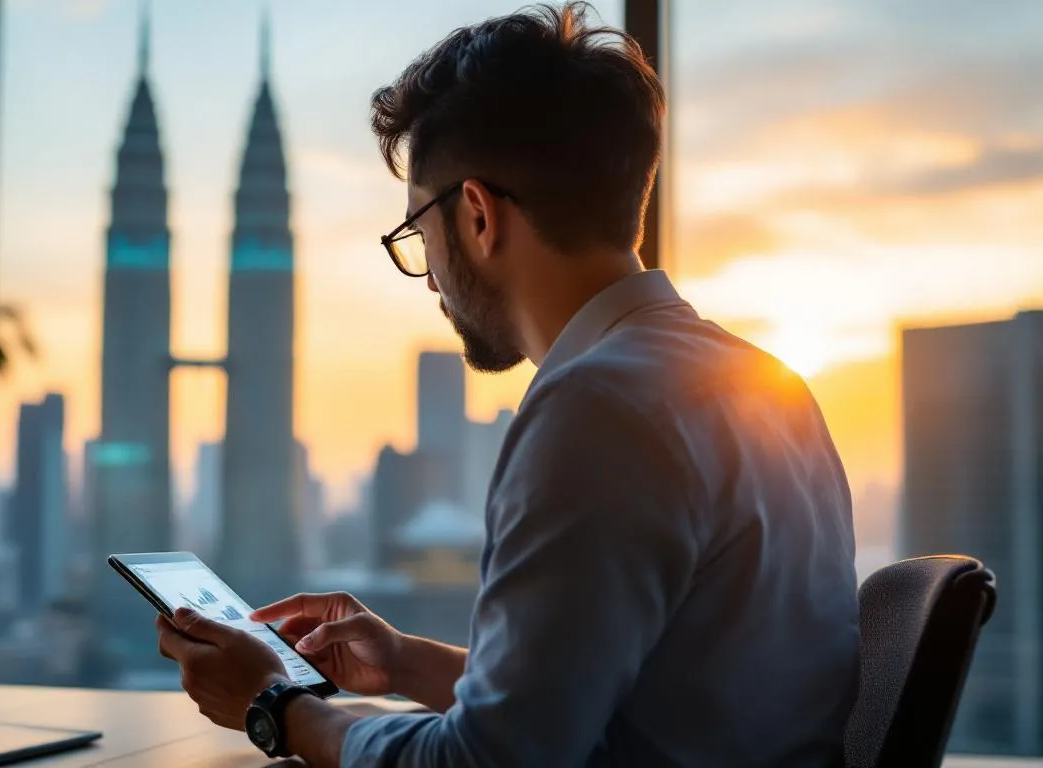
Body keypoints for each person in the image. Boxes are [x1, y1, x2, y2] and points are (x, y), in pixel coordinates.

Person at [155, 2, 859, 765]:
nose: (429, 284)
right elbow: (603, 715)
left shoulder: (596, 411)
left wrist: (278, 708)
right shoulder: (772, 388)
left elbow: (489, 763)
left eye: (418, 237)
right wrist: (403, 663)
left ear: (479, 216)